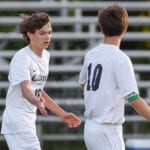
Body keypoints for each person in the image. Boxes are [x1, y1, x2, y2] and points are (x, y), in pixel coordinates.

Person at [1, 12, 81, 150]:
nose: (47, 37)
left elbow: (38, 90)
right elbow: (26, 89)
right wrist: (37, 102)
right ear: (30, 34)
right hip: (18, 121)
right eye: (42, 33)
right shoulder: (22, 58)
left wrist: (62, 114)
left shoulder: (46, 56)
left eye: (49, 32)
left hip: (27, 121)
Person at [79, 4, 150, 150]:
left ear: (101, 27)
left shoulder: (91, 54)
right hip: (107, 130)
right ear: (125, 27)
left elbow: (83, 83)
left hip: (90, 127)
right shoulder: (120, 59)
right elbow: (133, 98)